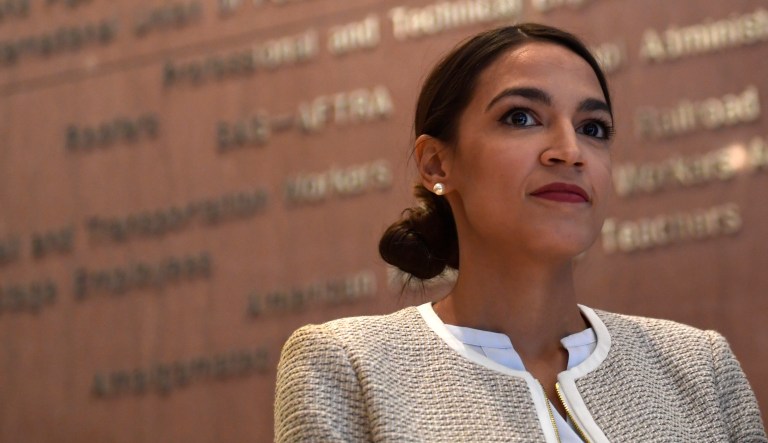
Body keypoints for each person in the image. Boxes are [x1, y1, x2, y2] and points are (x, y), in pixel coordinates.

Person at [273, 23, 766, 442]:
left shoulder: (699, 367)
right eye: (521, 117)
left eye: (593, 128)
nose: (569, 151)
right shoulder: (349, 366)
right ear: (437, 162)